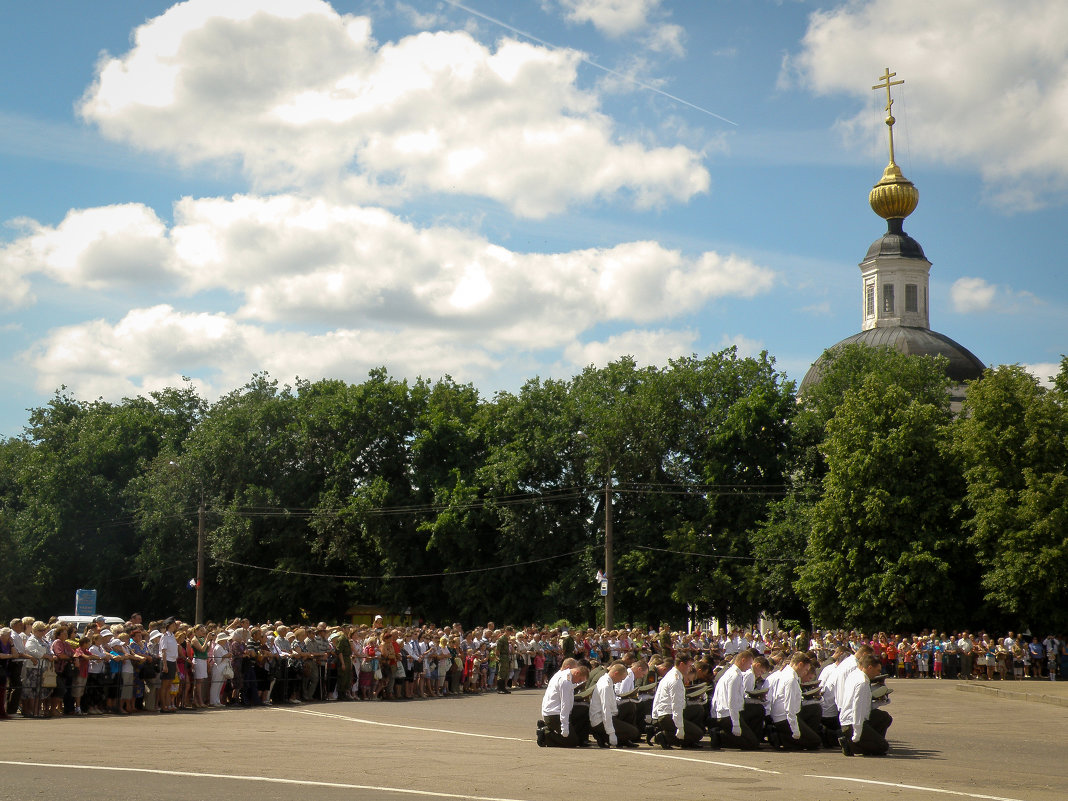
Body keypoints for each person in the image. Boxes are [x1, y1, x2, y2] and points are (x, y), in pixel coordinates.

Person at [839, 654, 892, 756]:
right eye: (877, 670)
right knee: (883, 747)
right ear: (870, 667)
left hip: (851, 719)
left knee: (884, 717)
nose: (878, 673)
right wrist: (857, 735)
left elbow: (864, 705)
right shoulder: (862, 682)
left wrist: (879, 702)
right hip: (852, 722)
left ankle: (869, 741)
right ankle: (853, 745)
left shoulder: (855, 675)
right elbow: (857, 710)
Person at [650, 653, 703, 749]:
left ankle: (685, 739)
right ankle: (665, 737)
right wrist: (680, 727)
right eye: (689, 666)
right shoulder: (675, 680)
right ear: (682, 664)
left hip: (665, 713)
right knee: (698, 734)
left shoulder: (672, 675)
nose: (690, 668)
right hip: (667, 715)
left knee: (698, 709)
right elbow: (676, 706)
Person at [769, 652, 820, 750]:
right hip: (785, 718)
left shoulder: (786, 673)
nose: (805, 672)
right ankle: (782, 738)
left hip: (784, 715)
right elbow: (789, 707)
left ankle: (799, 736)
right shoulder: (791, 679)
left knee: (815, 709)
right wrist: (795, 730)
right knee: (815, 741)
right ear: (800, 665)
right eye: (805, 670)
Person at [710, 649, 758, 750]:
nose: (750, 667)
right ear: (743, 660)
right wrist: (736, 724)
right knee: (752, 744)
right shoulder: (734, 676)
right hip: (727, 714)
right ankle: (720, 736)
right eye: (749, 663)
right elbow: (731, 701)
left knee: (758, 710)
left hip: (730, 712)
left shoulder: (734, 673)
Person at [537, 659, 588, 747]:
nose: (578, 682)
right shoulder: (566, 681)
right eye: (579, 680)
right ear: (577, 673)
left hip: (555, 712)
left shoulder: (565, 674)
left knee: (585, 710)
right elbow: (565, 705)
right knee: (572, 742)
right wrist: (565, 726)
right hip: (554, 714)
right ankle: (546, 734)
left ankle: (580, 737)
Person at [589, 662, 639, 748]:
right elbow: (606, 710)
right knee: (634, 733)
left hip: (610, 715)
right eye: (621, 678)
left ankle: (623, 740)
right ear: (616, 674)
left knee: (629, 706)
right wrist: (611, 732)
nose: (621, 681)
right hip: (600, 720)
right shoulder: (606, 685)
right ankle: (604, 736)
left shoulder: (607, 680)